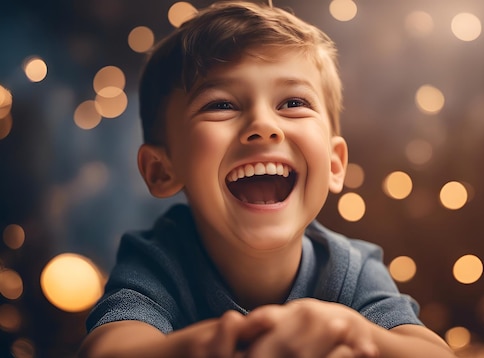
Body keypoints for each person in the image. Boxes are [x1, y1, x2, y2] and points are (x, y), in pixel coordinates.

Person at [78, 1, 456, 357]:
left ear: (335, 163)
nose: (263, 126)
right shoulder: (159, 262)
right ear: (162, 170)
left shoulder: (350, 270)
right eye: (221, 105)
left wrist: (356, 332)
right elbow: (107, 349)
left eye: (293, 103)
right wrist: (213, 344)